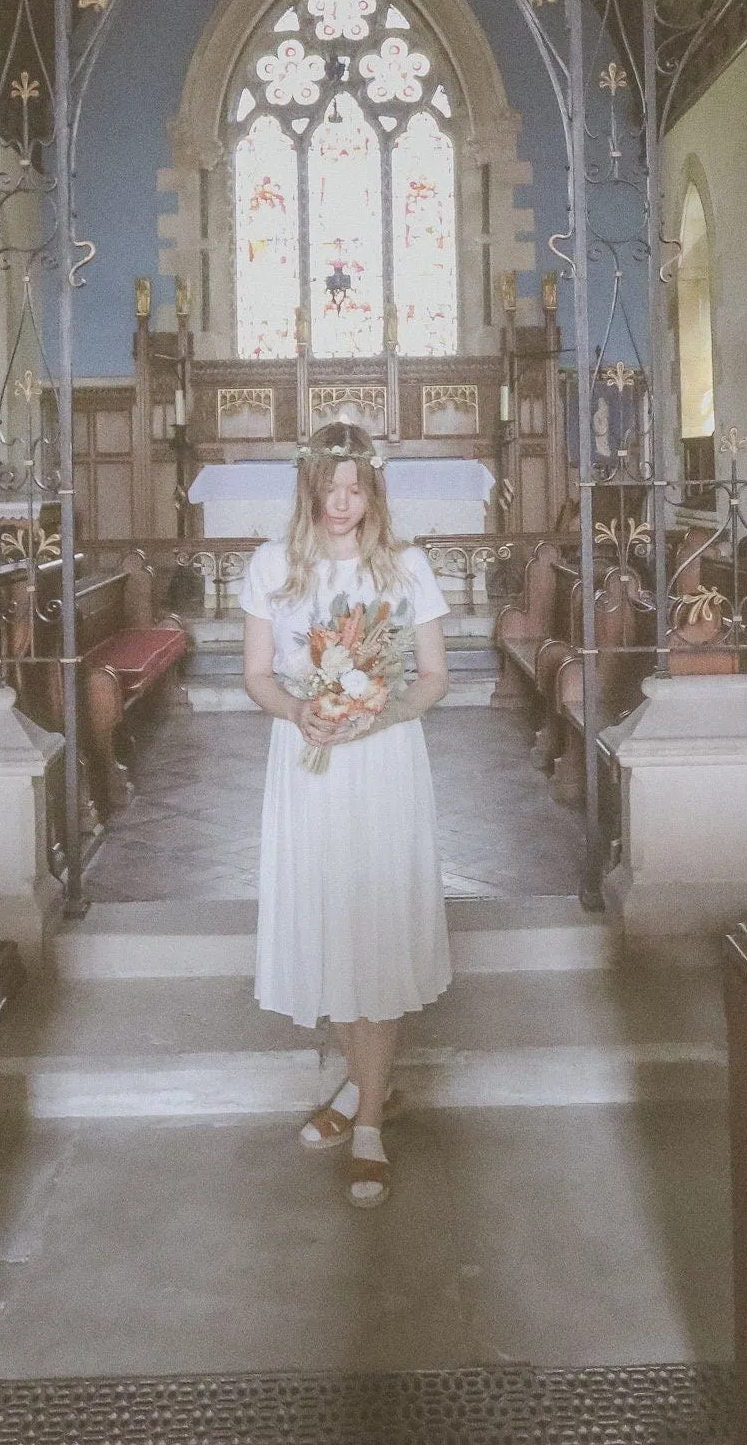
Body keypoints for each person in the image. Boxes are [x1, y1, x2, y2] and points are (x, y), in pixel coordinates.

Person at [239, 420, 454, 1207]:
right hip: (306, 762)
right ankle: (370, 1090)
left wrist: (378, 713)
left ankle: (366, 1123)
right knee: (325, 921)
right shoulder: (272, 568)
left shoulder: (404, 567)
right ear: (308, 489)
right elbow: (259, 674)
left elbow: (433, 676)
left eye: (354, 488)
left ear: (373, 491)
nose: (341, 503)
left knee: (376, 930)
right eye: (328, 488)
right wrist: (301, 713)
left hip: (383, 760)